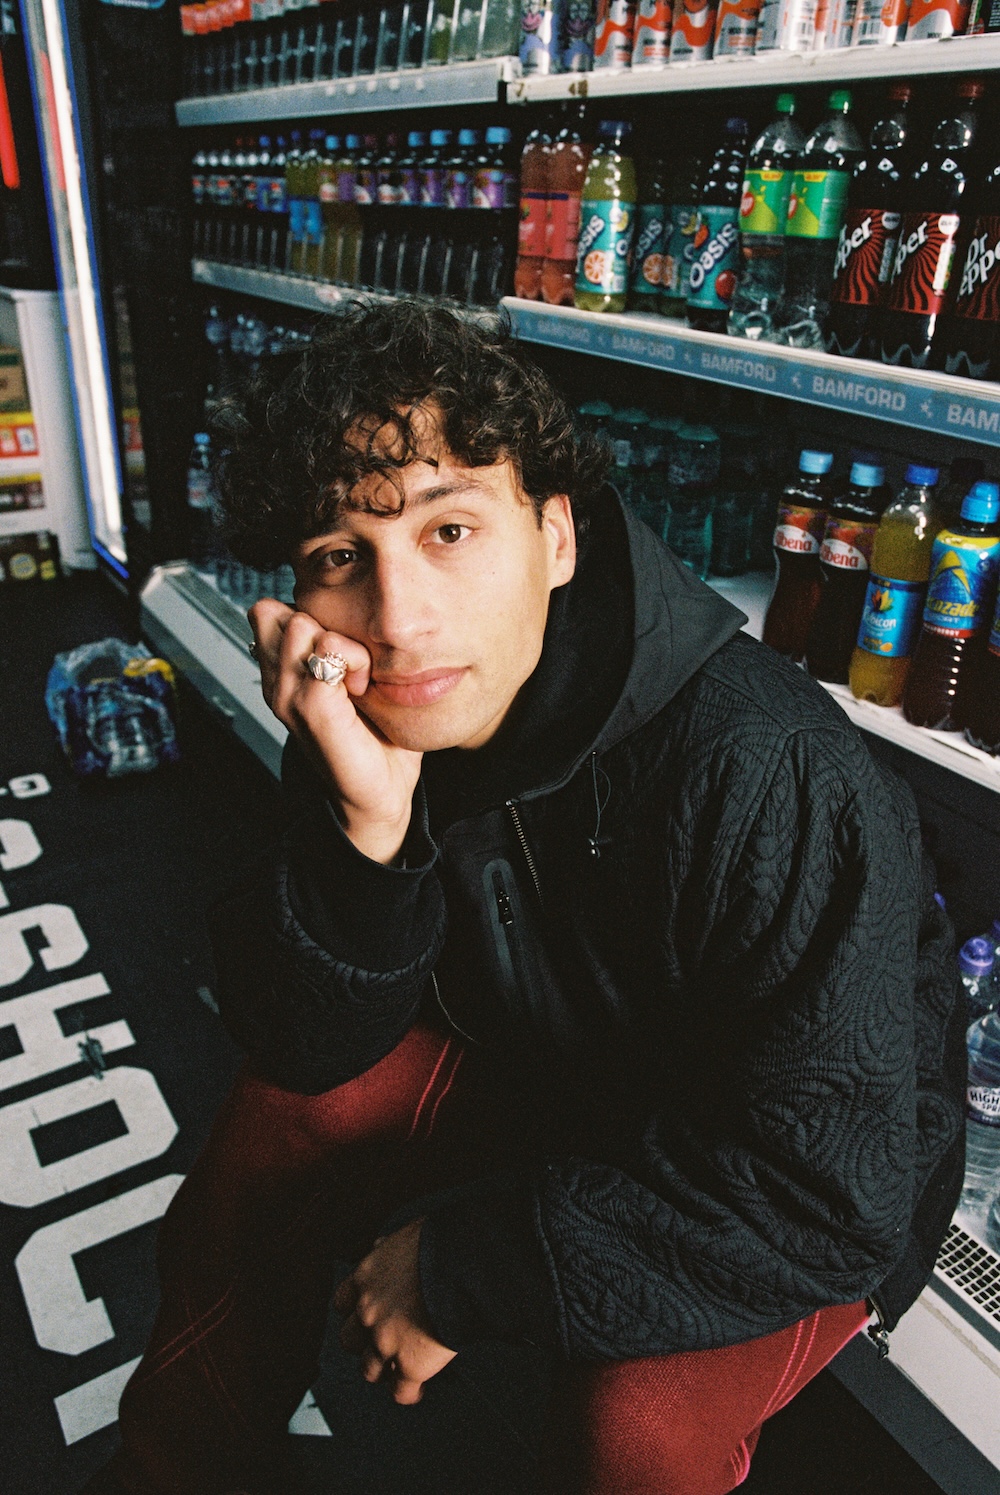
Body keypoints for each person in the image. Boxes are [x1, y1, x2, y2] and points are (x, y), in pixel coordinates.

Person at [85, 299, 966, 1495]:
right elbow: (297, 1041)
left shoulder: (769, 765)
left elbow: (830, 1194)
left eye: (449, 529)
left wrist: (463, 1268)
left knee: (636, 1430)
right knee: (273, 1145)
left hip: (779, 1168)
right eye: (342, 555)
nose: (400, 620)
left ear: (556, 534)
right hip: (550, 1054)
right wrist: (366, 832)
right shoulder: (369, 702)